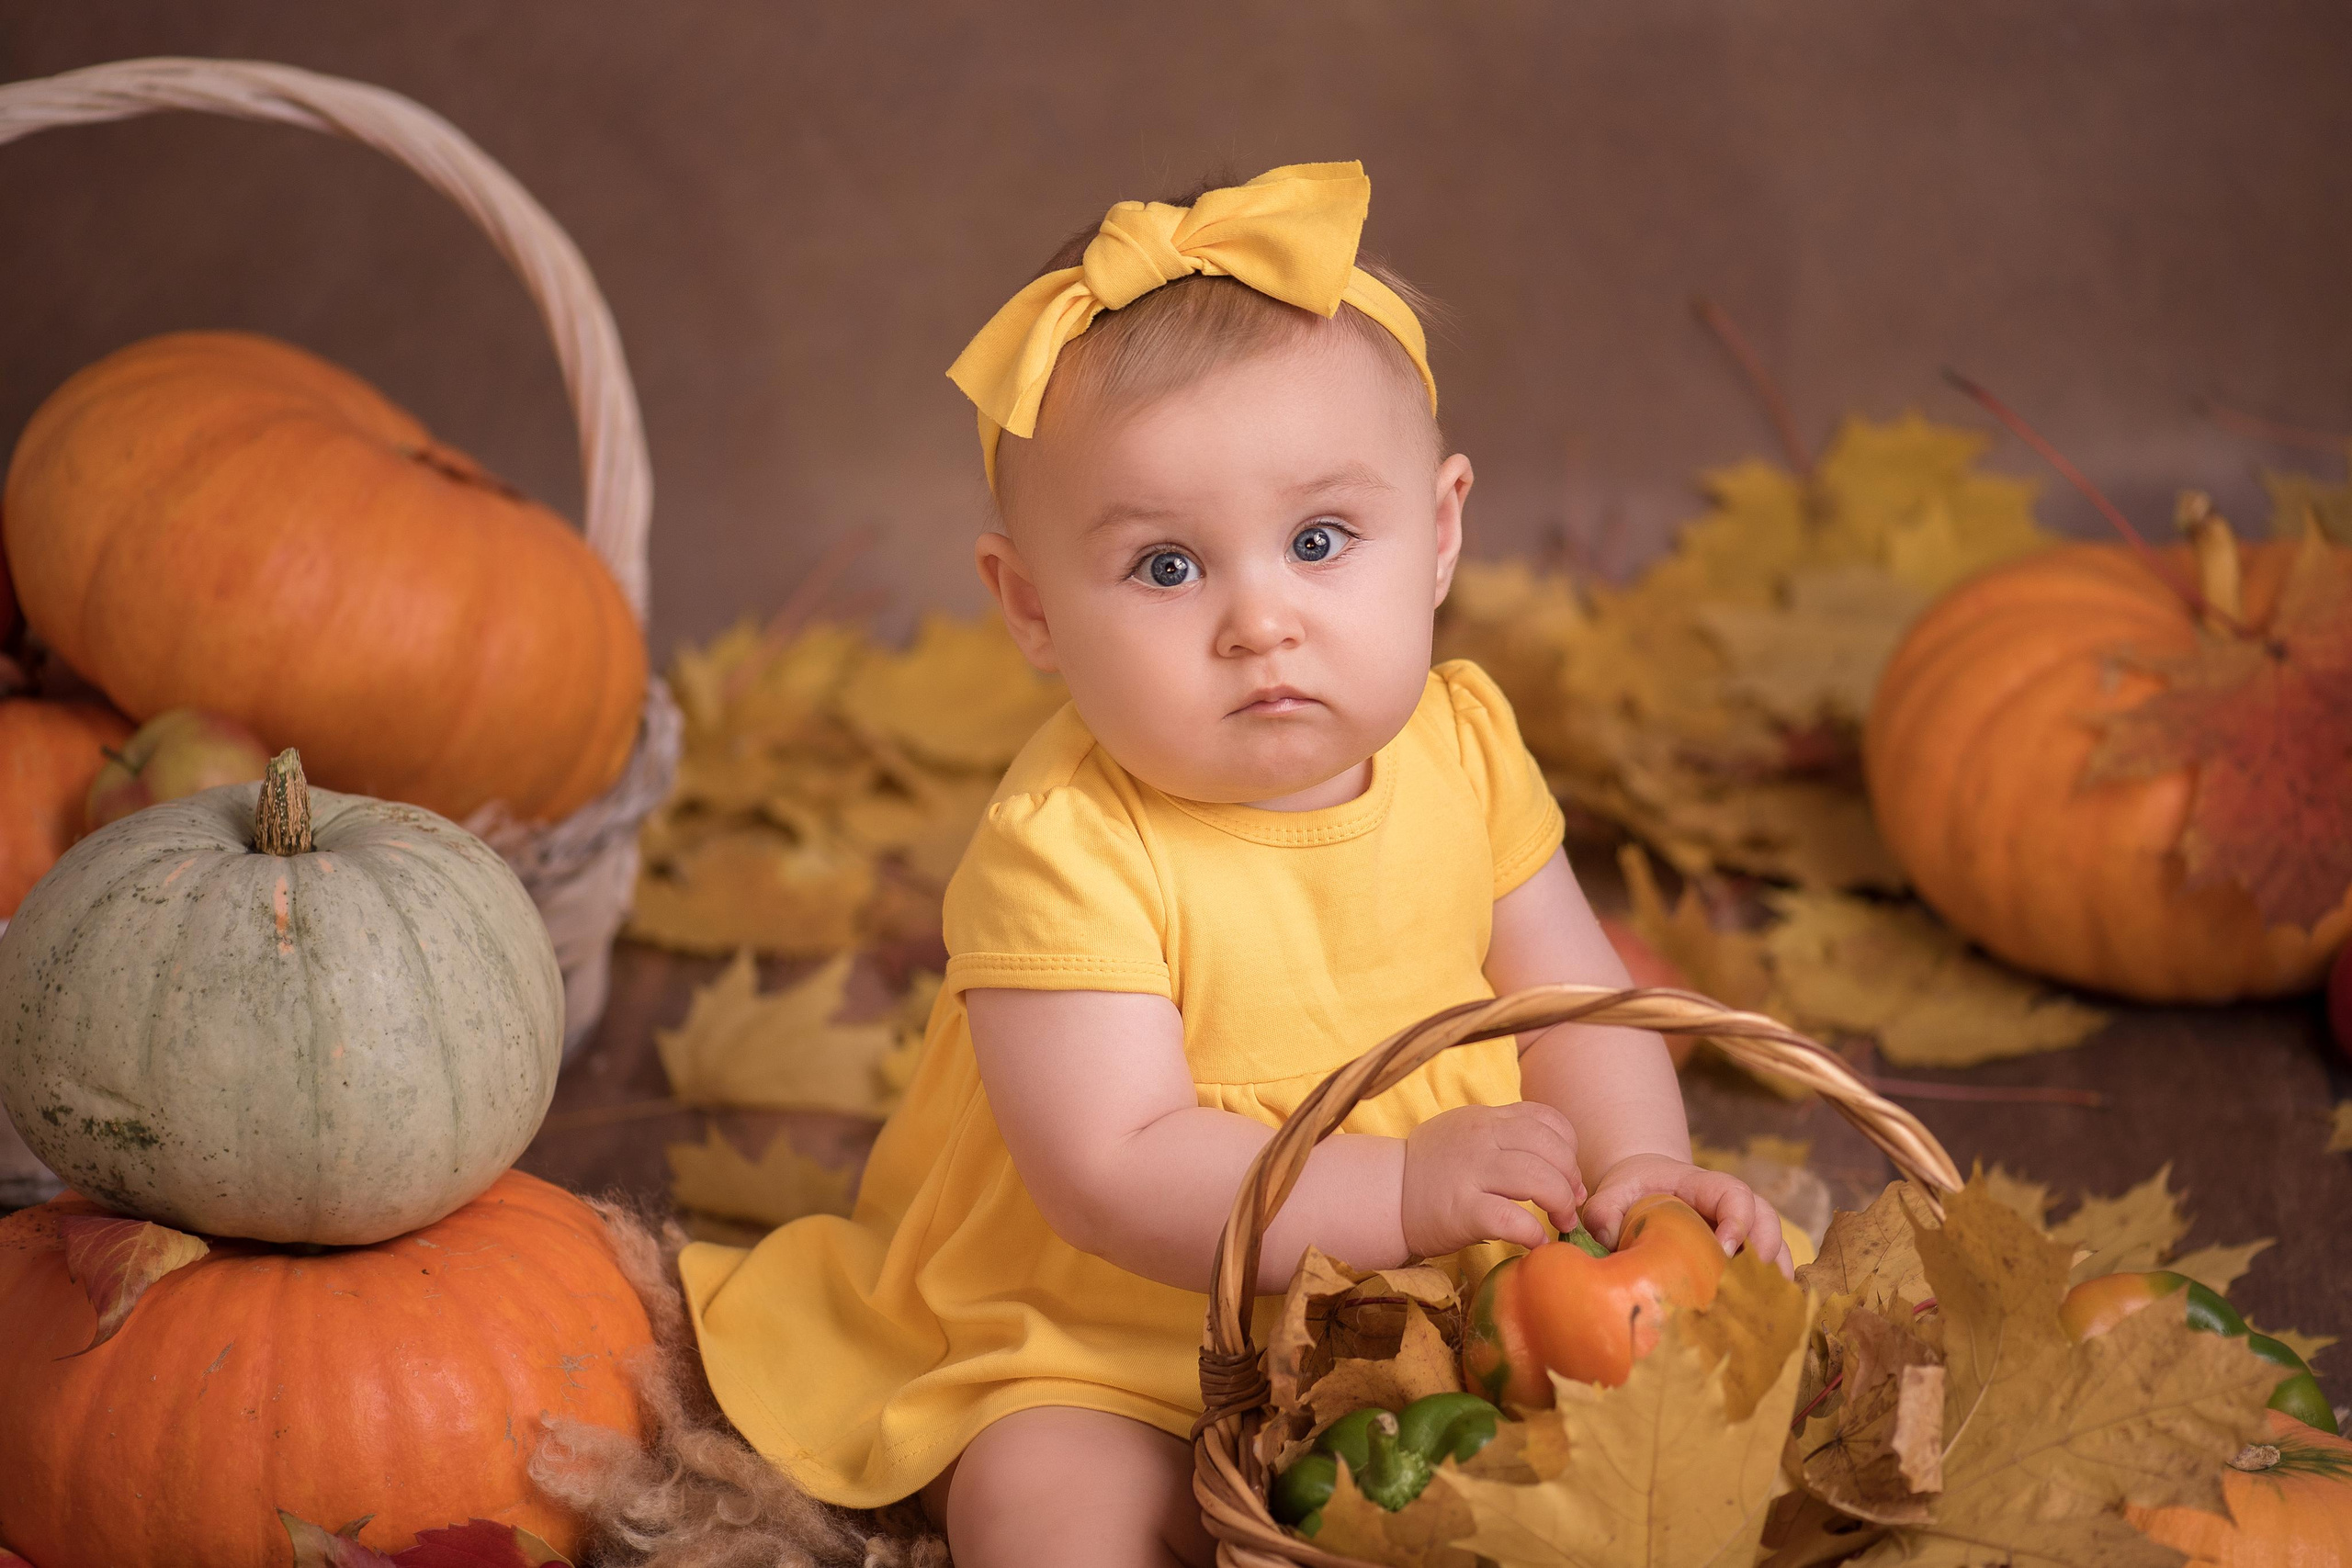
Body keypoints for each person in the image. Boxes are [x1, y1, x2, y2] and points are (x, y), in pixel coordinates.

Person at [678, 162, 1791, 1568]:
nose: (1260, 621)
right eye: (1164, 568)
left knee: (1615, 1465)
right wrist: (1391, 1194)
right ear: (1029, 606)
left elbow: (1575, 1005)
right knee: (1046, 1509)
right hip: (1113, 1328)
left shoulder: (1463, 746)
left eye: (1320, 541)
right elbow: (1113, 1166)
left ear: (1440, 533)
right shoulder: (1064, 849)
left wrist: (1639, 1169)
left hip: (1439, 1297)